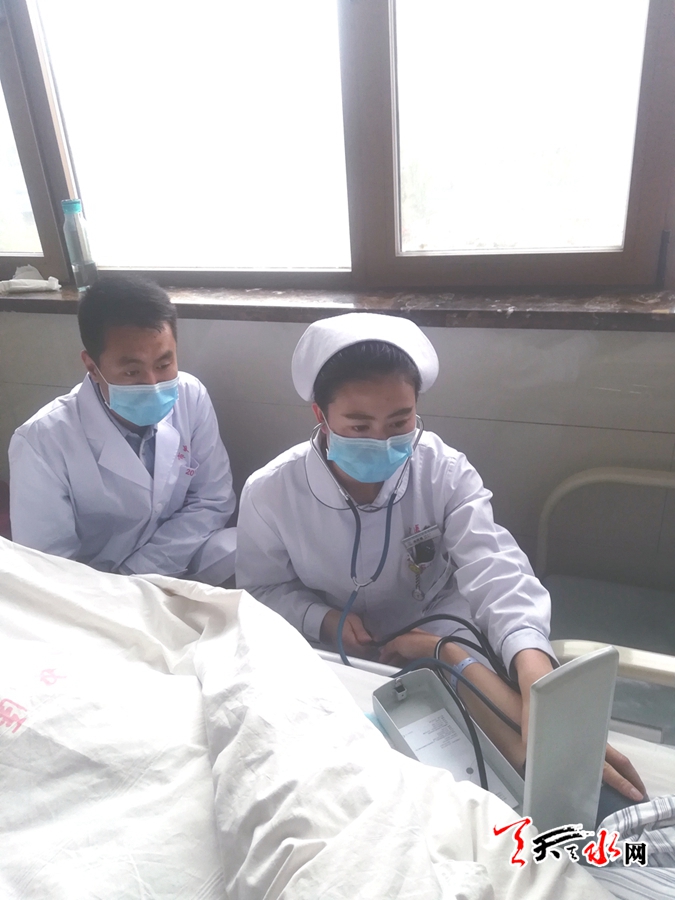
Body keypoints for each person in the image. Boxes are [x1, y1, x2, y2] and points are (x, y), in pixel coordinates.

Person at [236, 311, 644, 801]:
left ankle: (560, 800)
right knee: (340, 764)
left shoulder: (441, 470)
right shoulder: (271, 492)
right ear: (320, 415)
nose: (382, 441)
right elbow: (261, 589)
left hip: (438, 622)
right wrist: (322, 621)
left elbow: (496, 567)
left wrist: (534, 669)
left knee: (507, 749)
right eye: (359, 425)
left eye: (400, 421)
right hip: (334, 644)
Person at [9, 275, 236, 584]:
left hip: (177, 557)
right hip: (96, 584)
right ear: (92, 367)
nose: (153, 384)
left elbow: (213, 498)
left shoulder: (190, 395)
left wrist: (142, 571)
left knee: (236, 547)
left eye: (163, 364)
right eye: (132, 371)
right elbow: (50, 564)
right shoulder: (41, 441)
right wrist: (122, 587)